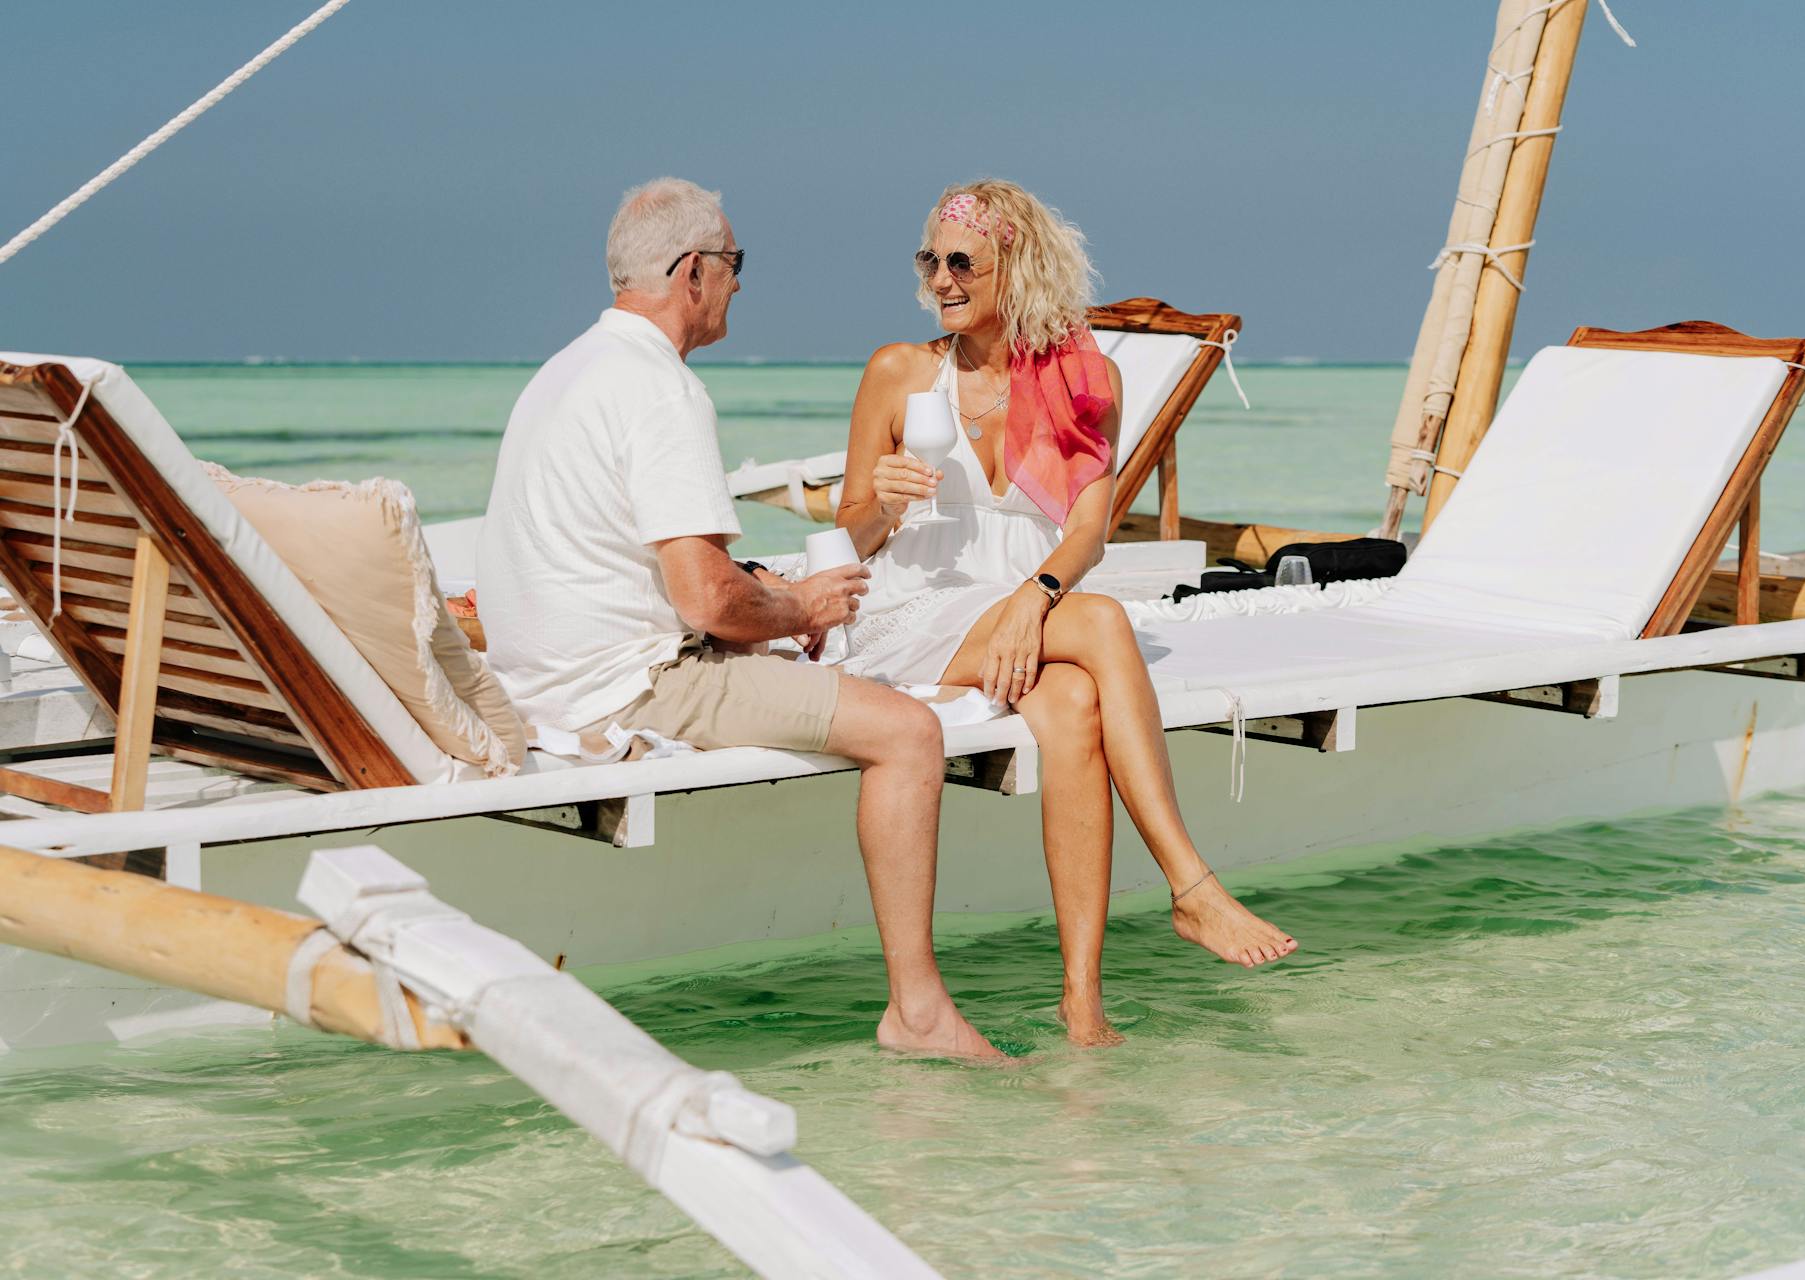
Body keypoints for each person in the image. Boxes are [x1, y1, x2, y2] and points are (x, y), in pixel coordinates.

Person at [479, 178, 1000, 1060]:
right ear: (692, 273)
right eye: (732, 263)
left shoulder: (567, 369)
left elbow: (658, 569)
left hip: (544, 672)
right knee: (910, 732)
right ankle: (918, 1013)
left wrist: (761, 596)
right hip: (629, 686)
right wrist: (799, 604)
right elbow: (707, 603)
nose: (739, 282)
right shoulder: (662, 388)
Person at [836, 180, 1297, 1047]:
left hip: (1025, 610)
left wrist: (1032, 597)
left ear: (1016, 268)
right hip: (915, 608)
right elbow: (850, 535)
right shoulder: (900, 371)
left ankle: (1082, 1004)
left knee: (1078, 705)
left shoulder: (1086, 382)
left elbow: (1089, 529)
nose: (940, 279)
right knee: (1105, 622)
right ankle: (1190, 884)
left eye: (961, 261)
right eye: (930, 260)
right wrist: (884, 504)